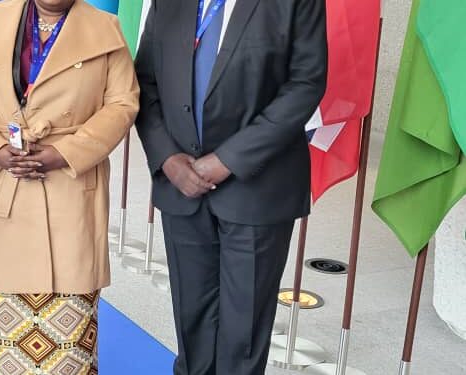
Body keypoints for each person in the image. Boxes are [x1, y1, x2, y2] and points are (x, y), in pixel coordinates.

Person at [135, 0, 327, 374]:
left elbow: (305, 83)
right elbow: (144, 80)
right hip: (181, 184)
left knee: (244, 330)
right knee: (192, 319)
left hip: (257, 187)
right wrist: (168, 159)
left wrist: (228, 160)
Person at [0, 0, 139, 373]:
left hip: (70, 187)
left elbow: (122, 103)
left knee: (71, 338)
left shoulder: (105, 28)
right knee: (7, 338)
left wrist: (66, 152)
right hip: (4, 188)